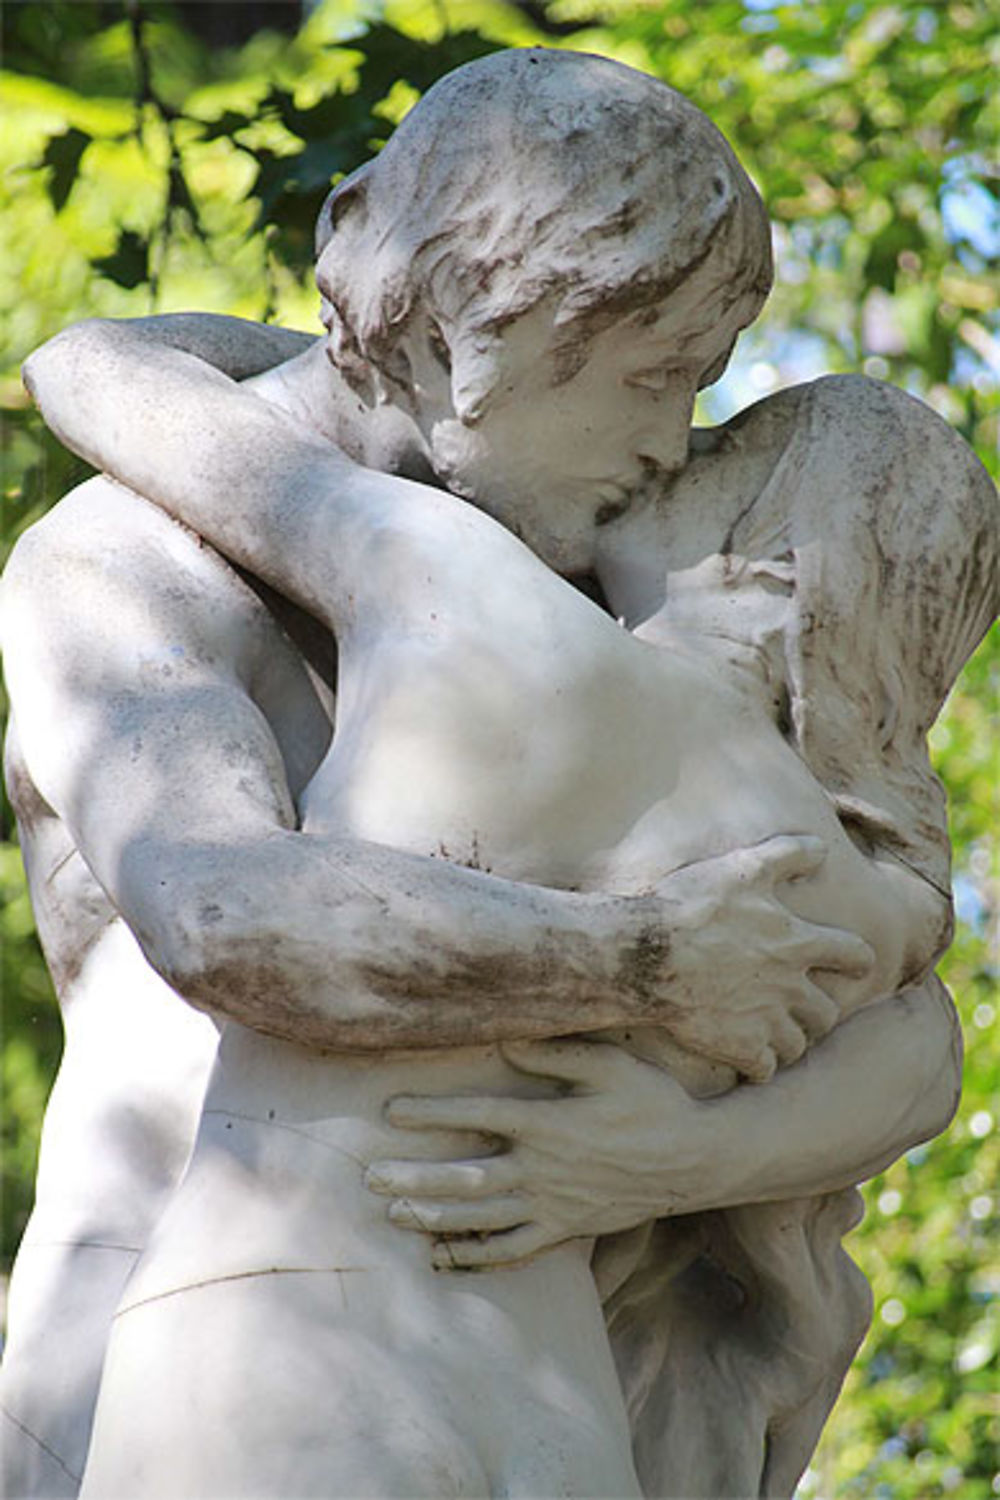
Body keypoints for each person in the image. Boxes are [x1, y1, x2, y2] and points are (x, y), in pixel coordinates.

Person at [3, 49, 990, 1499]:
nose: (671, 445)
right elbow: (220, 913)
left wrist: (670, 1163)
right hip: (191, 1347)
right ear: (477, 329)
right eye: (657, 378)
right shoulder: (122, 560)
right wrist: (640, 966)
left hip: (546, 1367)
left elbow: (904, 1017)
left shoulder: (590, 577)